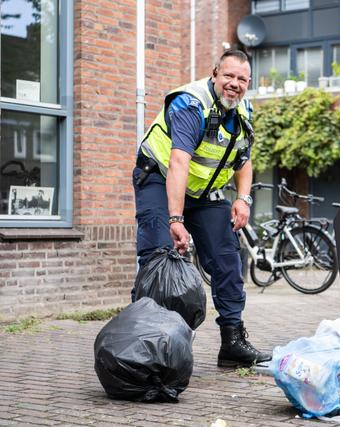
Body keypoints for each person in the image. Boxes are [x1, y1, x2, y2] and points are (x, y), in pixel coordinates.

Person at [132, 50, 271, 368]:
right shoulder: (190, 104)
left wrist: (243, 199)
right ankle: (145, 343)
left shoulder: (243, 111)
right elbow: (179, 161)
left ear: (248, 83)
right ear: (214, 74)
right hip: (159, 177)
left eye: (241, 79)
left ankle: (232, 343)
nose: (234, 84)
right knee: (158, 256)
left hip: (203, 191)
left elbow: (243, 162)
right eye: (228, 76)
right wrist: (175, 218)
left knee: (227, 257)